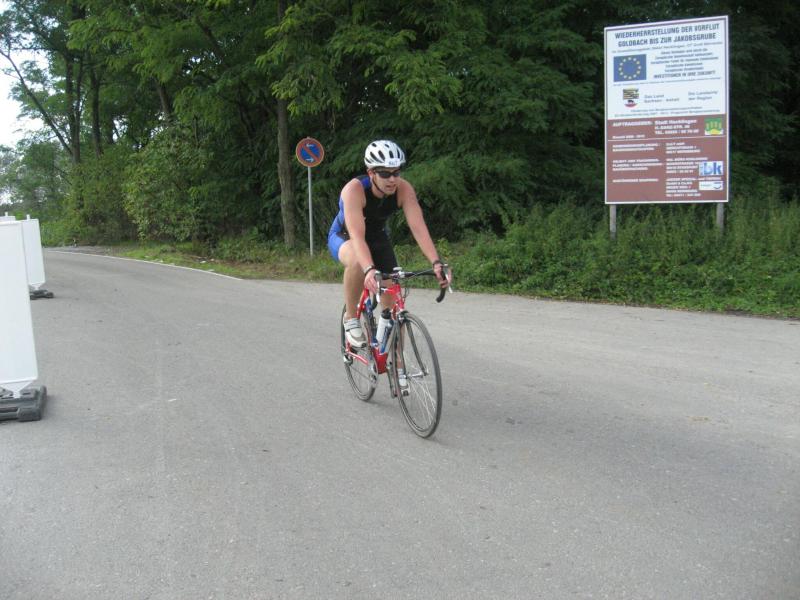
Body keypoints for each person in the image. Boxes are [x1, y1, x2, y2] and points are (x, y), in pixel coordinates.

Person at [327, 139, 450, 348]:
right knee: (357, 261)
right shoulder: (354, 190)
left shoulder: (404, 189)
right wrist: (369, 269)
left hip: (377, 237)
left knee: (393, 305)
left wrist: (436, 262)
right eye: (385, 173)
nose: (392, 179)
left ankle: (397, 363)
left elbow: (418, 228)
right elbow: (357, 237)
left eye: (396, 172)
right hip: (345, 236)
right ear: (371, 173)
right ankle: (351, 317)